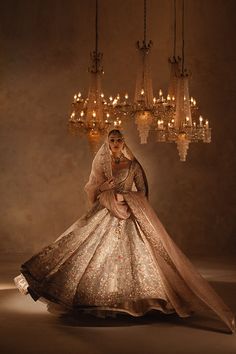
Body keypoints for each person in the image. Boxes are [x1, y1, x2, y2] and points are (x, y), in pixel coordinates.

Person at [14, 129, 235, 333]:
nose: (116, 143)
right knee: (86, 247)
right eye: (112, 140)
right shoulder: (103, 164)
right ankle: (97, 300)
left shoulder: (132, 165)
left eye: (119, 140)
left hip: (130, 214)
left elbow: (143, 191)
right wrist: (105, 189)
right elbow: (92, 189)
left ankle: (142, 301)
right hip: (106, 212)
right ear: (107, 144)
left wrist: (127, 200)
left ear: (124, 142)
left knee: (141, 257)